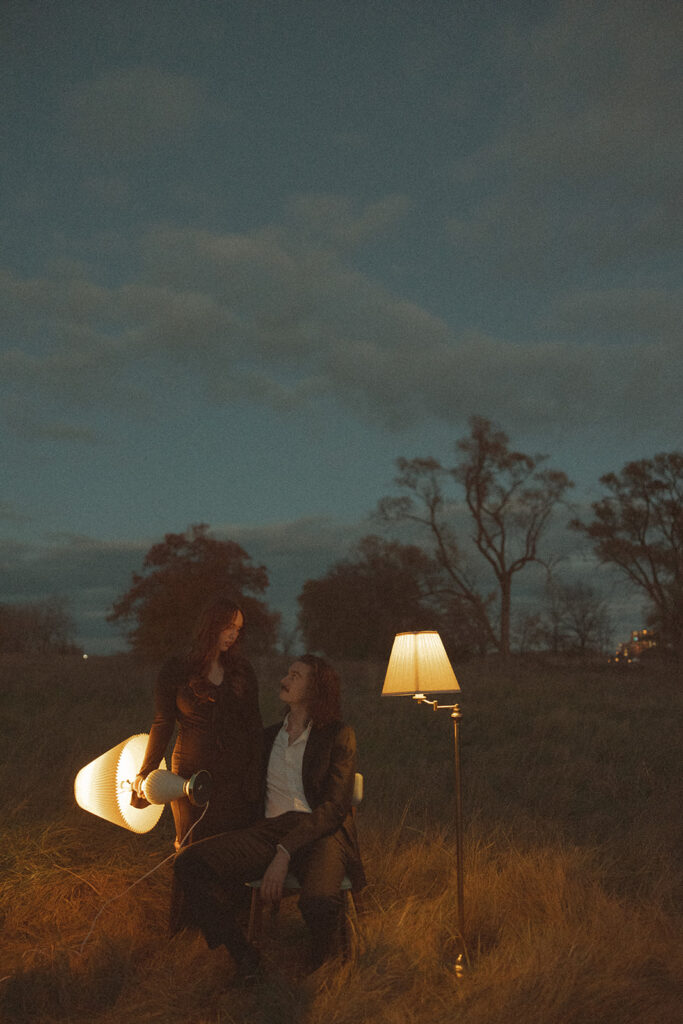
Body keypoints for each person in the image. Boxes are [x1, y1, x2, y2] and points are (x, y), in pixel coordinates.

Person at [173, 654, 365, 978]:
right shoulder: (267, 737)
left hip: (321, 832)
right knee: (188, 863)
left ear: (316, 688)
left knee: (317, 901)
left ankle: (320, 966)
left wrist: (285, 851)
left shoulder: (338, 734)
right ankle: (244, 955)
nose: (284, 680)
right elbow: (237, 778)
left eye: (295, 676)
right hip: (268, 832)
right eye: (287, 674)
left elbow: (334, 808)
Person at [132, 597, 263, 850]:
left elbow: (254, 726)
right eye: (228, 627)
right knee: (191, 847)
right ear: (212, 625)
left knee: (229, 850)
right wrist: (146, 770)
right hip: (189, 774)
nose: (233, 634)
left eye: (238, 629)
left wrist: (254, 775)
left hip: (234, 776)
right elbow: (163, 722)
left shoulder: (242, 670)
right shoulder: (177, 668)